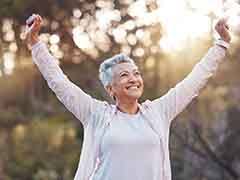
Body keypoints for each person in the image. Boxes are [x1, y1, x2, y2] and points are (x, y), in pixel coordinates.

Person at [26, 14, 231, 180]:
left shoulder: (159, 112)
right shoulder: (95, 114)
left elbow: (195, 79)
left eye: (136, 73)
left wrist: (221, 44)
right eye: (124, 75)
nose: (133, 79)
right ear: (110, 88)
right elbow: (60, 83)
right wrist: (36, 44)